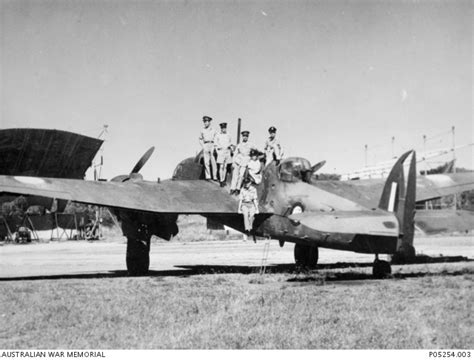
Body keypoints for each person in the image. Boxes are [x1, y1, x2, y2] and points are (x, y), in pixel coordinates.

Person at [230, 130, 253, 195]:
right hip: (238, 161)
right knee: (235, 175)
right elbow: (235, 154)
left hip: (245, 161)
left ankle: (238, 189)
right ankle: (232, 188)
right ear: (242, 137)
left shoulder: (250, 145)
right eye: (244, 136)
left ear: (248, 137)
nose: (245, 137)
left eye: (246, 136)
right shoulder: (239, 145)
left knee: (241, 176)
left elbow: (256, 150)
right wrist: (233, 162)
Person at [198, 116, 217, 180]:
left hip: (212, 144)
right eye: (204, 122)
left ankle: (215, 176)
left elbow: (216, 138)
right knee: (206, 162)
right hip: (206, 145)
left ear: (209, 122)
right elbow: (200, 139)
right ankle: (208, 176)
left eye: (206, 122)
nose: (205, 123)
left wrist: (215, 146)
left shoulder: (213, 130)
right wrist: (203, 145)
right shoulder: (202, 130)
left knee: (213, 161)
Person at [214, 122, 233, 187]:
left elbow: (230, 143)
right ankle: (221, 180)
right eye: (222, 128)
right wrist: (218, 152)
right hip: (221, 152)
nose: (224, 129)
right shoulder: (218, 135)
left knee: (225, 167)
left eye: (225, 128)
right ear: (221, 129)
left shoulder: (228, 135)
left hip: (227, 152)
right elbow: (216, 145)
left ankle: (223, 179)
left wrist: (229, 151)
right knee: (221, 166)